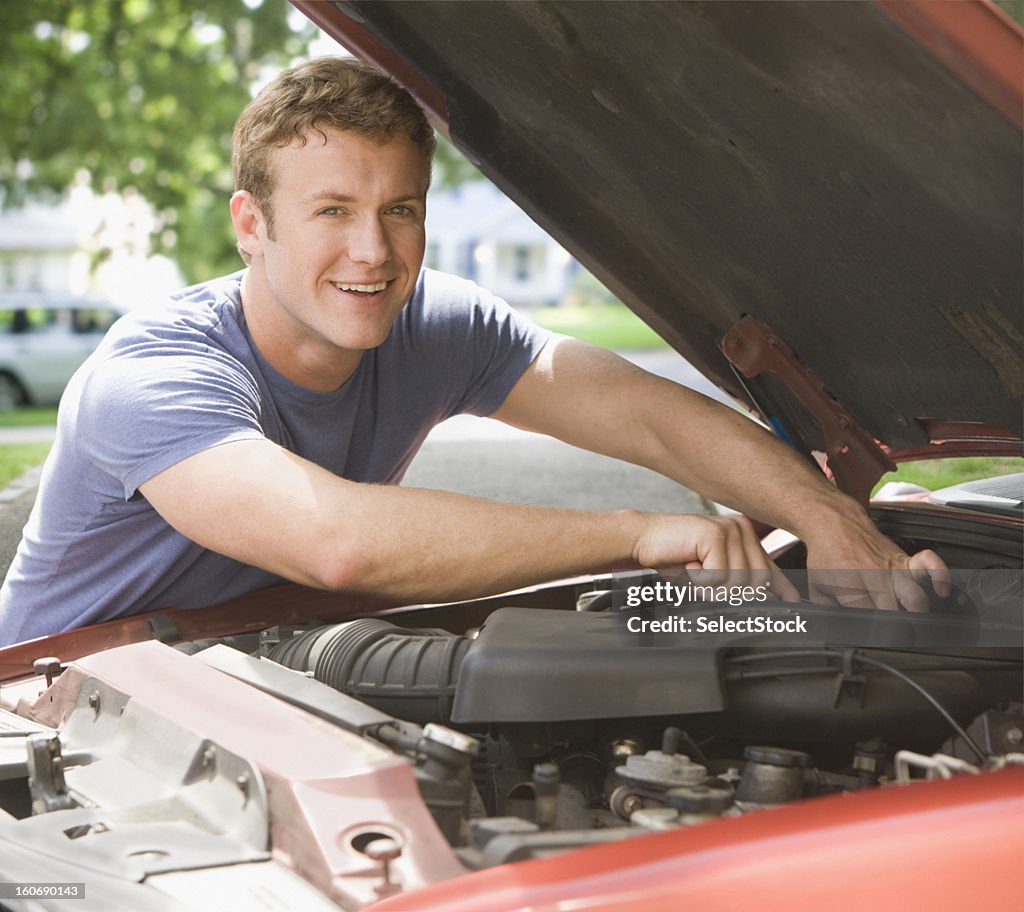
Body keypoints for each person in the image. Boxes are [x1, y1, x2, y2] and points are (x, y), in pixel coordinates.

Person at [0, 57, 947, 645]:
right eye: (331, 211)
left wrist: (825, 516)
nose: (373, 253)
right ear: (251, 223)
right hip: (57, 727)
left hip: (244, 674)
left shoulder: (435, 328)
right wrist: (640, 531)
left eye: (398, 210)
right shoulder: (154, 375)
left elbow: (642, 413)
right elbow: (335, 541)